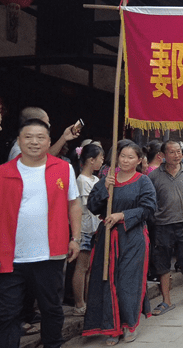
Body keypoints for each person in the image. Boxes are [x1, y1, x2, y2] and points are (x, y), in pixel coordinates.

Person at [0, 118, 82, 348]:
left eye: (40, 137)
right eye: (28, 137)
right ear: (18, 141)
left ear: (49, 141)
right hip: (11, 258)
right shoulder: (3, 173)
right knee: (8, 314)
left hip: (50, 254)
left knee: (51, 309)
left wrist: (75, 238)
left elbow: (74, 205)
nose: (34, 142)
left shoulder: (63, 168)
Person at [82, 141, 156, 345]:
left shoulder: (143, 182)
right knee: (106, 282)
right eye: (122, 156)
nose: (125, 160)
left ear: (139, 160)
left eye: (130, 157)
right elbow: (93, 206)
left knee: (126, 283)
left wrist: (122, 215)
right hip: (107, 238)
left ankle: (128, 325)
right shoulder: (107, 180)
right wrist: (105, 188)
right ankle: (110, 328)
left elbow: (149, 209)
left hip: (132, 238)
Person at [148, 140, 183, 315]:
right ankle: (166, 301)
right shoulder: (154, 176)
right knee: (162, 263)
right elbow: (151, 200)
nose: (177, 155)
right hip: (162, 225)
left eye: (179, 151)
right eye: (172, 152)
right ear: (162, 155)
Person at [72, 143, 104, 317]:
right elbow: (90, 206)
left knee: (90, 267)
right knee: (82, 267)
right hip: (85, 228)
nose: (102, 161)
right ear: (91, 160)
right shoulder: (81, 181)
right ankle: (79, 303)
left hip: (94, 227)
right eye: (100, 158)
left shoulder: (95, 179)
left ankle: (88, 300)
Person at [8, 107, 80, 161]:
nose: (49, 126)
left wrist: (64, 138)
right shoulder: (18, 150)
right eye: (46, 123)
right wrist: (63, 138)